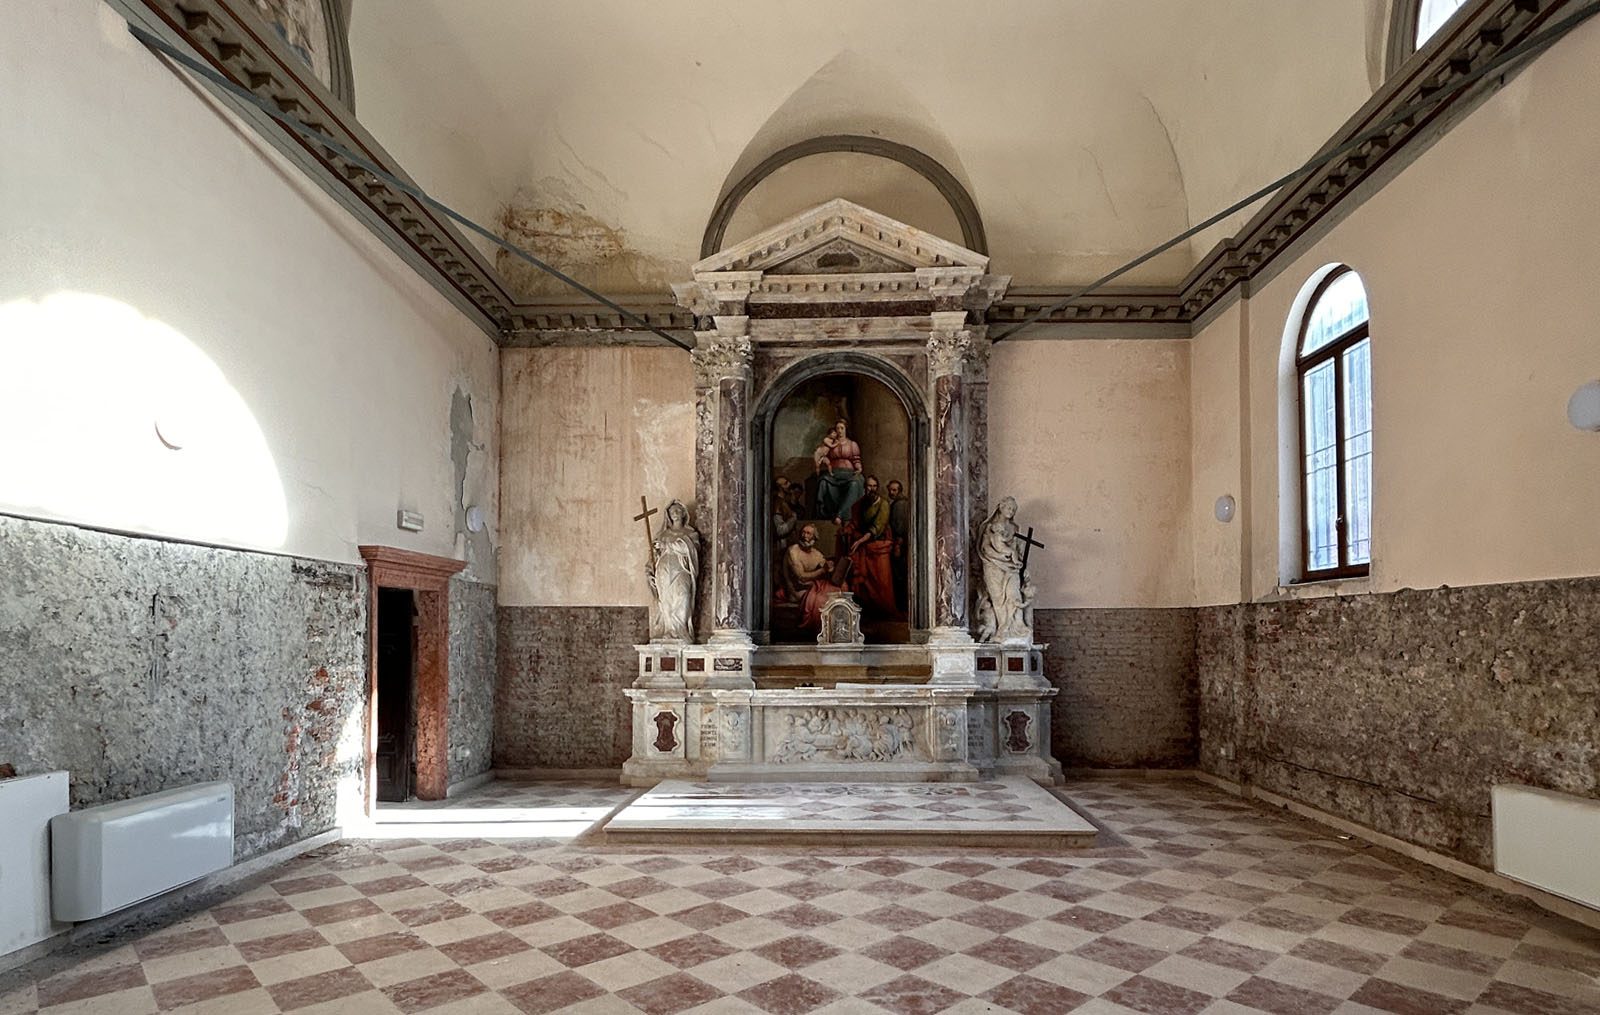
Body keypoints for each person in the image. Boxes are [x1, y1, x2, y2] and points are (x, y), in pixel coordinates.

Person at [976, 496, 1030, 642]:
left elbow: (1018, 550)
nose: (1011, 511)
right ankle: (1002, 629)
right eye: (1009, 508)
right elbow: (985, 548)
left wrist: (1024, 566)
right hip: (993, 566)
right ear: (1001, 507)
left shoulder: (1015, 528)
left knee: (1014, 595)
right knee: (998, 599)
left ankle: (1017, 628)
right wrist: (1001, 557)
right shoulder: (989, 527)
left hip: (1012, 568)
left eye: (1013, 509)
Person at [847, 476, 900, 618]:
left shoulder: (883, 504)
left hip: (880, 547)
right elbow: (855, 523)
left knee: (882, 581)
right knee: (865, 582)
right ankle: (869, 612)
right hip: (865, 547)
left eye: (874, 486)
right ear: (865, 487)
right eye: (869, 486)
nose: (872, 489)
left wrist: (859, 541)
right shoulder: (859, 504)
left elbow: (877, 527)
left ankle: (885, 611)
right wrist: (848, 529)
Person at [647, 499, 699, 641]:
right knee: (666, 600)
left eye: (677, 510)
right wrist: (649, 571)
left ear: (684, 513)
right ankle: (669, 630)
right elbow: (653, 557)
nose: (675, 513)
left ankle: (681, 629)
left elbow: (691, 549)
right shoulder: (662, 535)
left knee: (684, 595)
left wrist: (668, 546)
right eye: (672, 512)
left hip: (681, 569)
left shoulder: (690, 533)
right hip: (663, 570)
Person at [784, 523, 842, 630]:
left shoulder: (816, 554)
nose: (804, 536)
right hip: (796, 590)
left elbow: (826, 567)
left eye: (808, 533)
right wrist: (823, 570)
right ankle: (821, 629)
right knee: (822, 599)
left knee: (838, 590)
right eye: (803, 532)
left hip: (810, 587)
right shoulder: (793, 551)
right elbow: (801, 577)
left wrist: (831, 567)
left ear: (814, 537)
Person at [813, 419, 865, 523]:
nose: (840, 431)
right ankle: (826, 513)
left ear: (846, 429)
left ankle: (840, 515)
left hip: (849, 473)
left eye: (842, 428)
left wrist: (859, 467)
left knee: (854, 484)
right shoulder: (830, 444)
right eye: (837, 428)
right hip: (833, 474)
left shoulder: (852, 444)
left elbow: (856, 459)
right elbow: (823, 456)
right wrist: (823, 458)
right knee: (823, 482)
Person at [886, 479, 909, 612]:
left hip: (900, 545)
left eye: (894, 490)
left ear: (899, 491)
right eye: (890, 490)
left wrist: (897, 546)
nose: (891, 492)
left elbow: (899, 528)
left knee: (899, 575)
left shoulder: (899, 505)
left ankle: (901, 607)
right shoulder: (900, 503)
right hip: (902, 544)